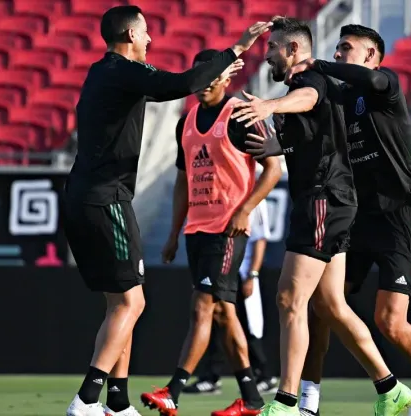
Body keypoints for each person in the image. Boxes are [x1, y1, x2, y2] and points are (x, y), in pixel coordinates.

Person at [62, 5, 270, 416]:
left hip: (83, 195)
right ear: (129, 36)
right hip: (106, 198)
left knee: (121, 303)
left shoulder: (100, 72)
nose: (151, 39)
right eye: (145, 32)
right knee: (132, 304)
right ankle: (87, 399)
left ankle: (117, 403)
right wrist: (237, 49)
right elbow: (186, 82)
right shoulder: (123, 70)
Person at [232, 17, 411, 416]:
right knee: (331, 305)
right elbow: (314, 135)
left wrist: (270, 105)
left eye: (274, 48)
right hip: (332, 199)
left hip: (322, 198)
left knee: (289, 299)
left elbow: (309, 100)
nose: (267, 57)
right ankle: (391, 389)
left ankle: (284, 403)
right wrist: (274, 147)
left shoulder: (307, 82)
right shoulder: (315, 87)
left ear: (293, 50)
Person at [287, 25, 411, 416]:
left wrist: (320, 64)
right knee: (321, 304)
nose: (340, 53)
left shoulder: (385, 85)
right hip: (356, 216)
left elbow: (371, 79)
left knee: (389, 321)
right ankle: (308, 401)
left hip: (397, 217)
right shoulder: (339, 97)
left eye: (348, 48)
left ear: (372, 56)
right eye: (337, 48)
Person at [139, 48, 282, 416]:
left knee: (202, 306)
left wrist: (245, 210)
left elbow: (273, 170)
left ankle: (173, 391)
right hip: (197, 230)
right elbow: (183, 181)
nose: (203, 84)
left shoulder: (239, 114)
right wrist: (173, 233)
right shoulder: (184, 122)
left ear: (225, 77)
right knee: (224, 313)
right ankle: (251, 399)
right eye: (198, 77)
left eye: (210, 77)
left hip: (228, 230)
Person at [182, 198, 279, 395]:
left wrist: (252, 274)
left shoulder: (255, 197)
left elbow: (260, 238)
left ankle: (264, 375)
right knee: (215, 323)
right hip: (221, 270)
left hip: (243, 274)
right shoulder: (223, 192)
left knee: (247, 326)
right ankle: (210, 377)